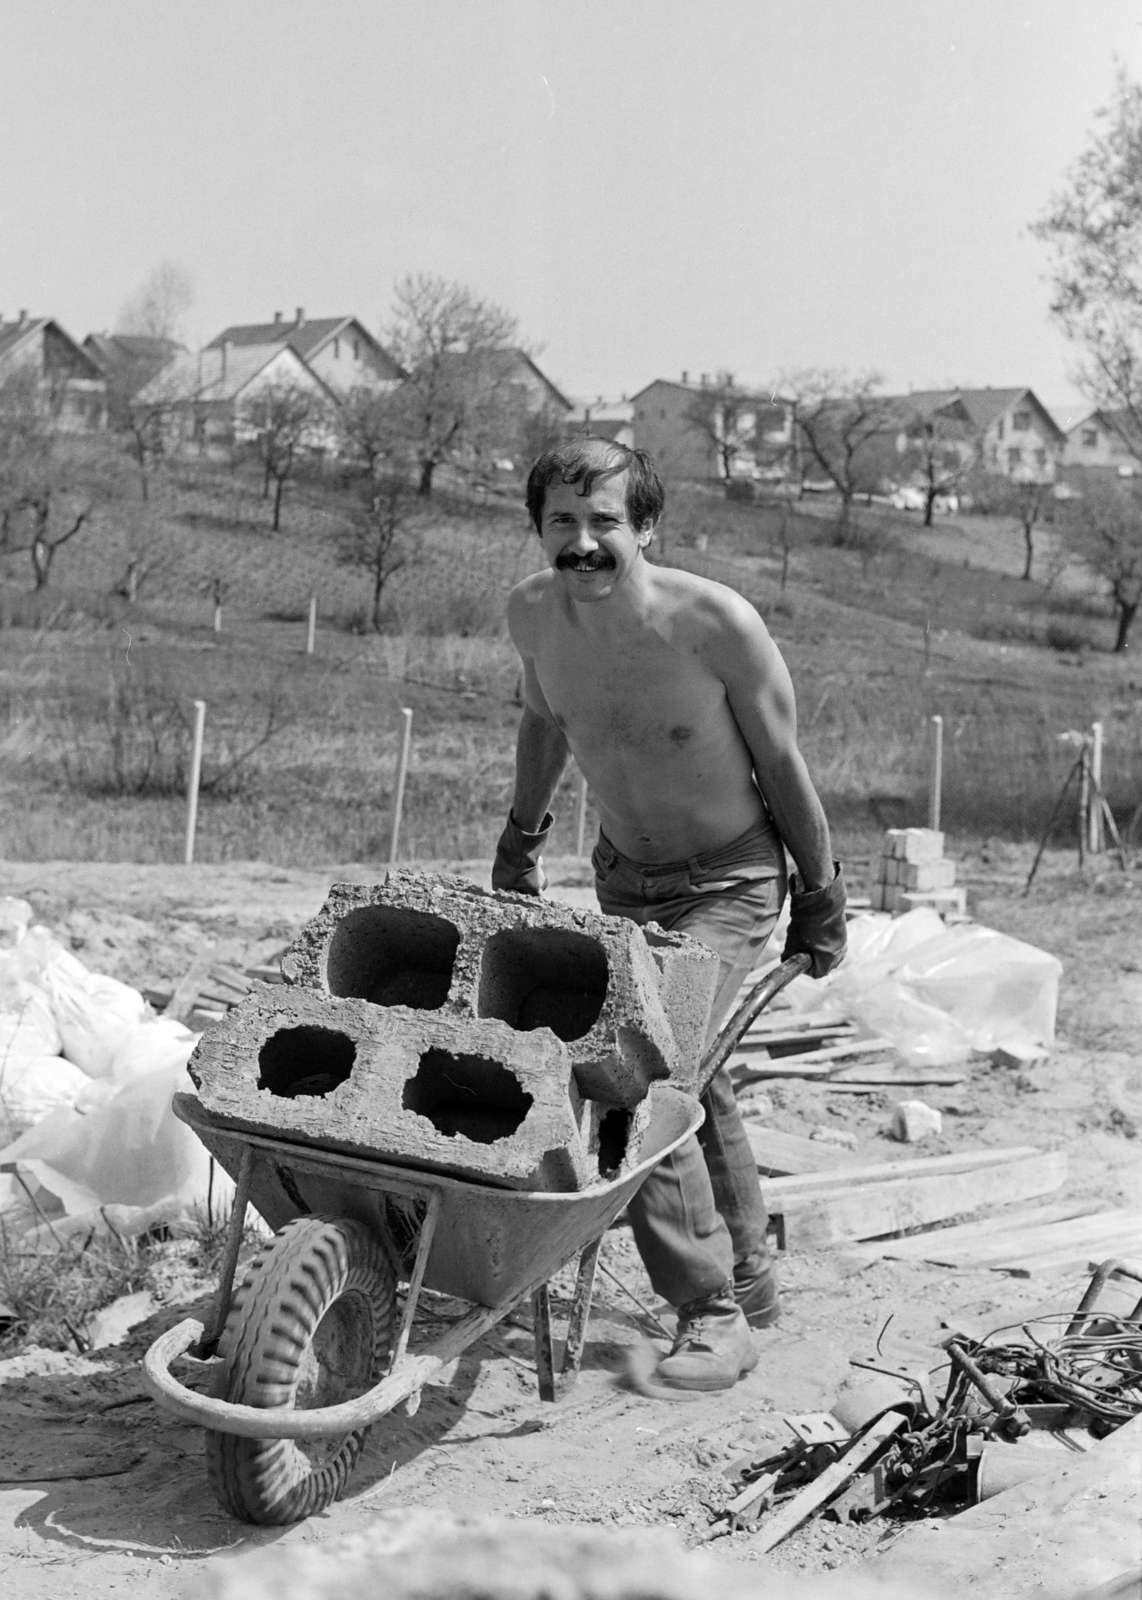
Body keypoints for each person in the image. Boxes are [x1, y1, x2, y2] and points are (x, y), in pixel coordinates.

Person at [492, 438, 846, 1392]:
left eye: (605, 522)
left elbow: (782, 763)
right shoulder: (533, 616)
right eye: (562, 523)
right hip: (625, 879)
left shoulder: (715, 622)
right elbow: (543, 724)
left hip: (730, 880)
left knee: (643, 1071)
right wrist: (521, 839)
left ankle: (711, 1313)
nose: (583, 543)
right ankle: (755, 1278)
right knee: (699, 1074)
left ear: (644, 527)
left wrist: (820, 891)